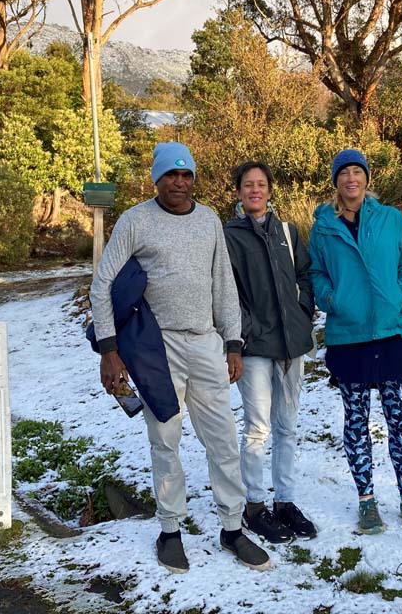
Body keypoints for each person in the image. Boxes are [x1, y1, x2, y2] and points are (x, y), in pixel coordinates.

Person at [89, 142, 272, 573]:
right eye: (171, 175)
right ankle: (170, 529)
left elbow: (224, 285)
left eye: (186, 174)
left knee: (223, 440)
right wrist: (109, 350)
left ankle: (232, 527)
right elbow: (102, 285)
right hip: (157, 347)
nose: (180, 182)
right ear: (156, 178)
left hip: (206, 343)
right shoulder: (136, 221)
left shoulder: (208, 220)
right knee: (165, 439)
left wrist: (233, 343)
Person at [307, 149, 402, 536]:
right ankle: (367, 502)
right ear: (335, 182)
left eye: (357, 172)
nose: (351, 179)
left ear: (366, 179)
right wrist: (331, 300)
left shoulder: (391, 219)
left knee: (400, 419)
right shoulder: (323, 227)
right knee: (357, 423)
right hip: (349, 337)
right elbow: (315, 273)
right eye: (344, 173)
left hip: (393, 332)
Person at [223, 162, 318, 544]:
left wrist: (303, 312)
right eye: (248, 185)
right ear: (239, 192)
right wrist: (247, 332)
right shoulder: (229, 236)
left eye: (261, 184)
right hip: (257, 348)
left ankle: (285, 502)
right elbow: (227, 293)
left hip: (292, 345)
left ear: (270, 190)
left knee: (287, 427)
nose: (255, 191)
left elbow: (305, 276)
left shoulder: (287, 232)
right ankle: (255, 506)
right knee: (258, 429)